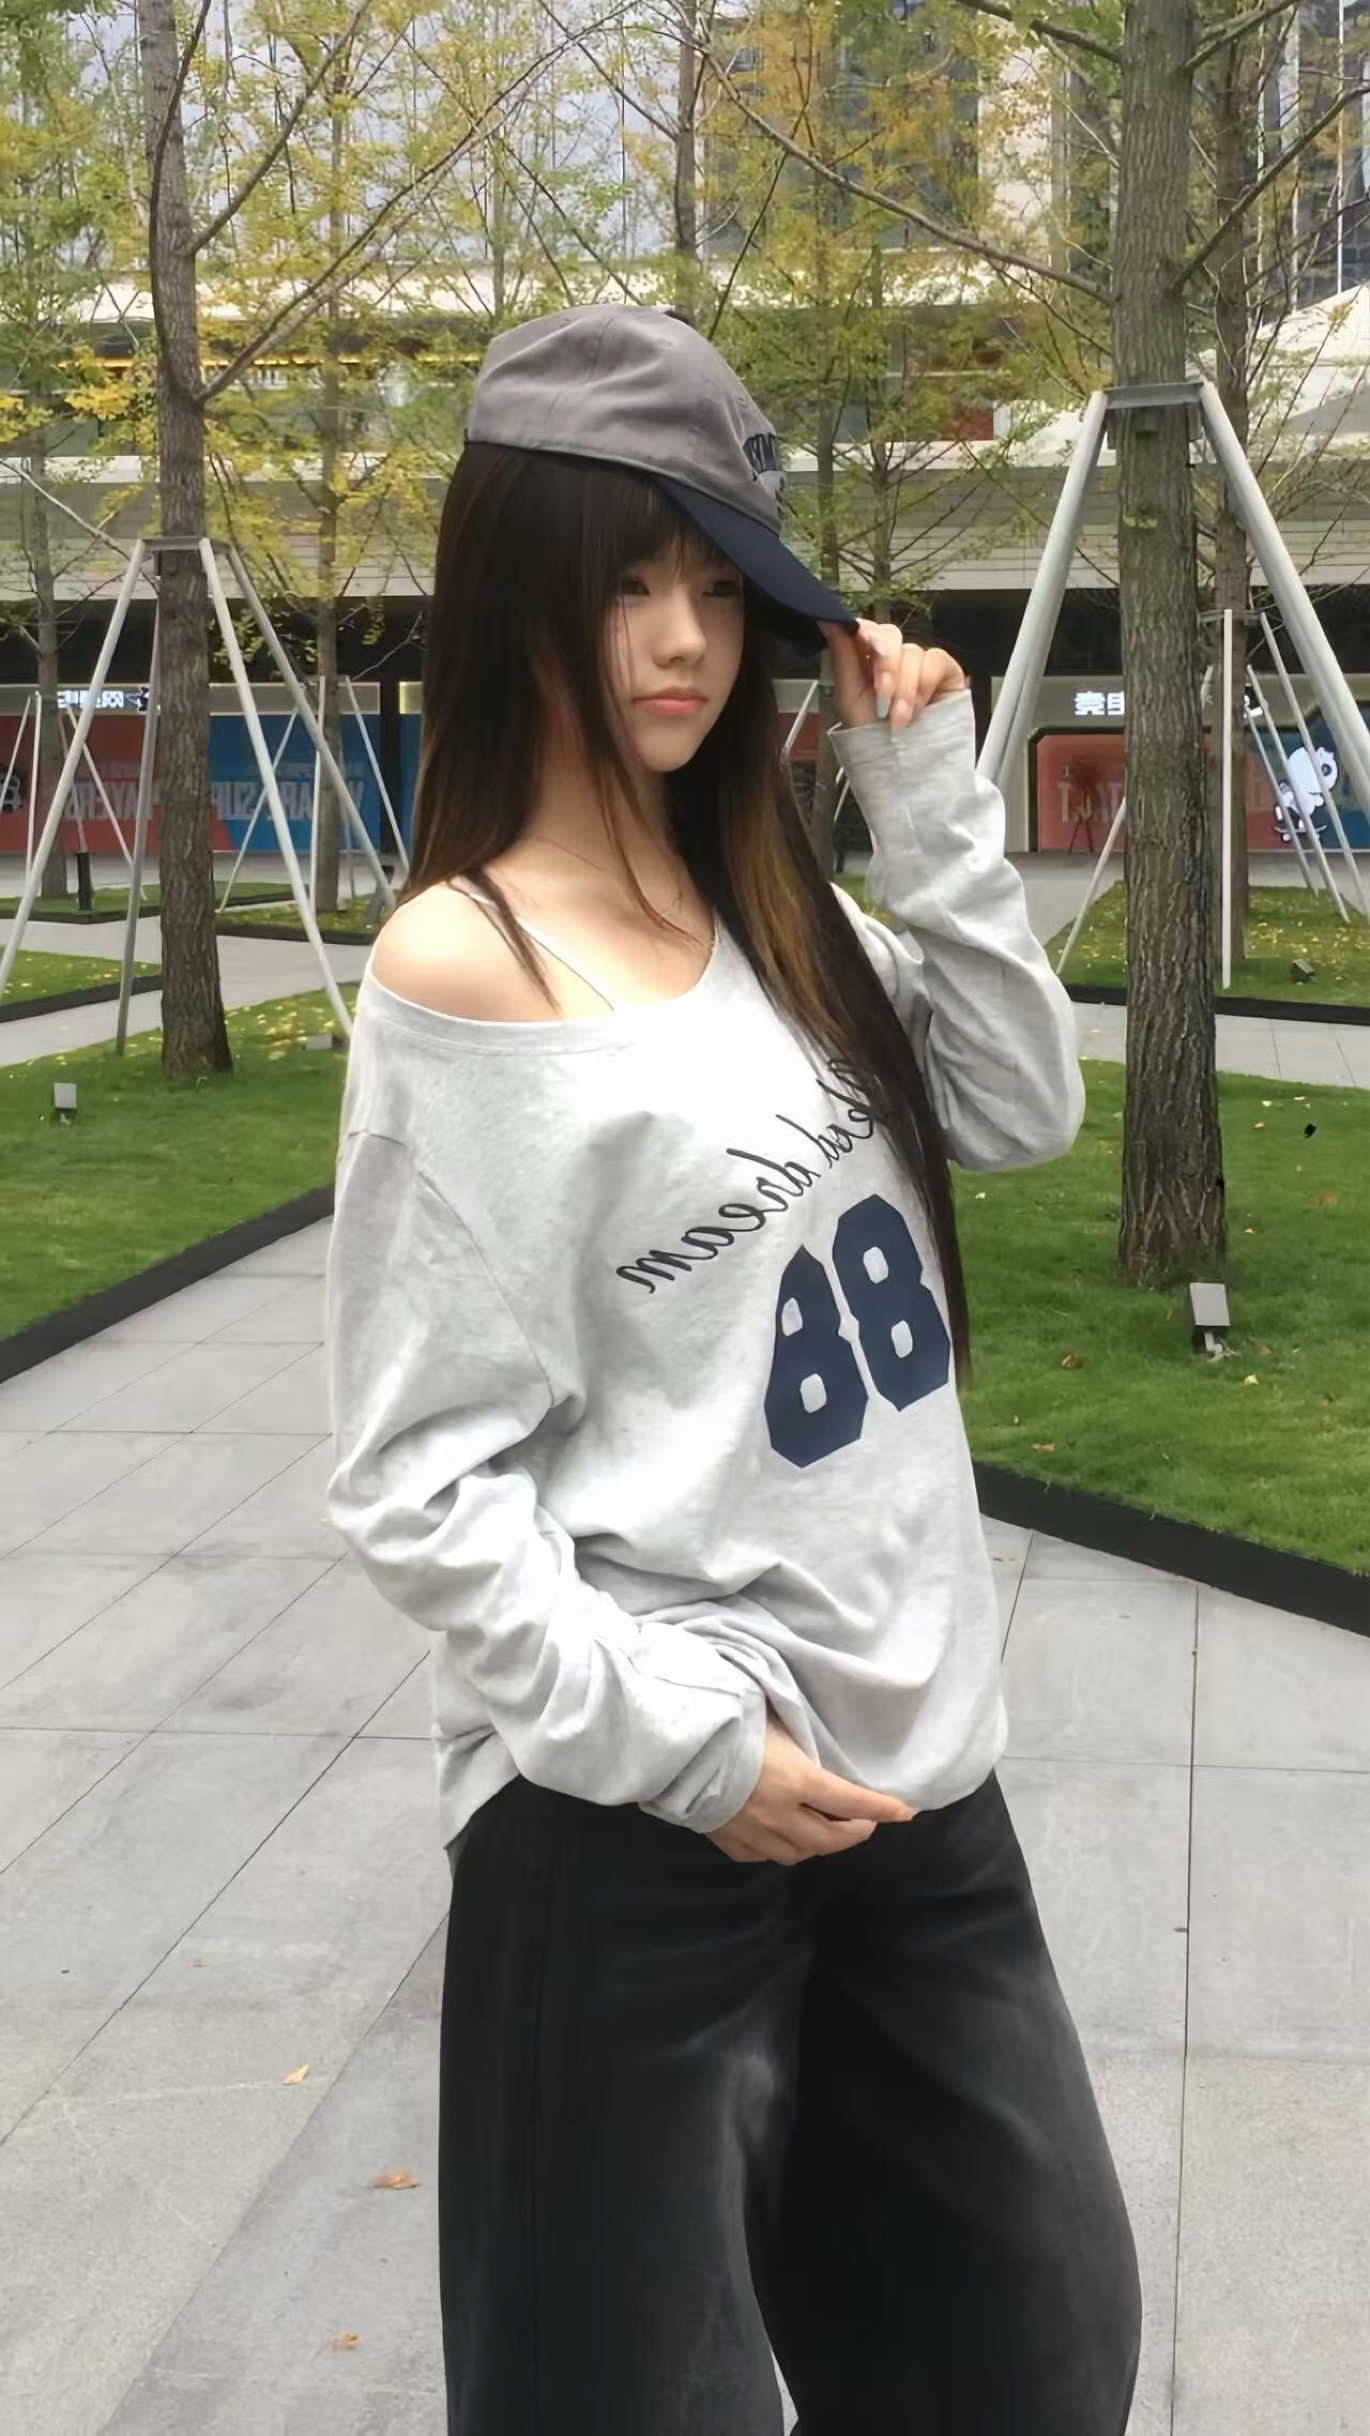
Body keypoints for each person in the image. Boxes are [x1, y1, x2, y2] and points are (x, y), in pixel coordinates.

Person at [323, 302, 1142, 2436]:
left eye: (715, 585)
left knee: (1030, 2359)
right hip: (645, 1822)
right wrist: (685, 1749)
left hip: (914, 1778)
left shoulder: (784, 920)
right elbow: (415, 1477)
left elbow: (1021, 1106)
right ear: (517, 585)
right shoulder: (469, 967)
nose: (680, 638)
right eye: (625, 582)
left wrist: (920, 793)